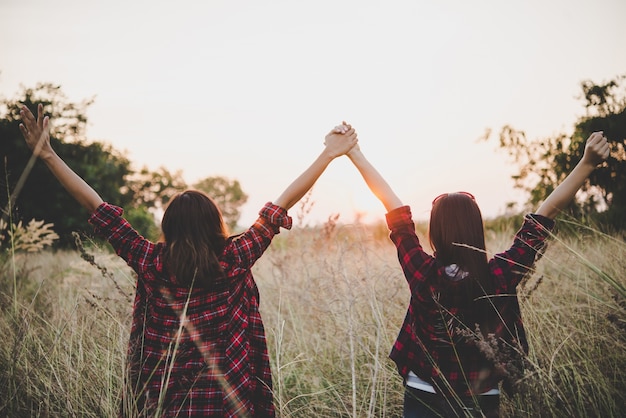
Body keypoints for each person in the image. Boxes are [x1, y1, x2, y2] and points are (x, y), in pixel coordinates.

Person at [18, 103, 358, 418]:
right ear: (215, 225)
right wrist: (328, 154)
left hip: (163, 404)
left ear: (169, 227)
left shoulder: (150, 261)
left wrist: (48, 155)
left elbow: (97, 208)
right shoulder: (235, 258)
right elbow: (282, 203)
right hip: (227, 403)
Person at [340, 122, 610, 417]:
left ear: (437, 233)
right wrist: (586, 163)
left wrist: (355, 153)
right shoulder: (500, 275)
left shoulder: (422, 271)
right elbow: (544, 216)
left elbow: (395, 210)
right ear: (476, 229)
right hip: (481, 396)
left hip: (423, 392)